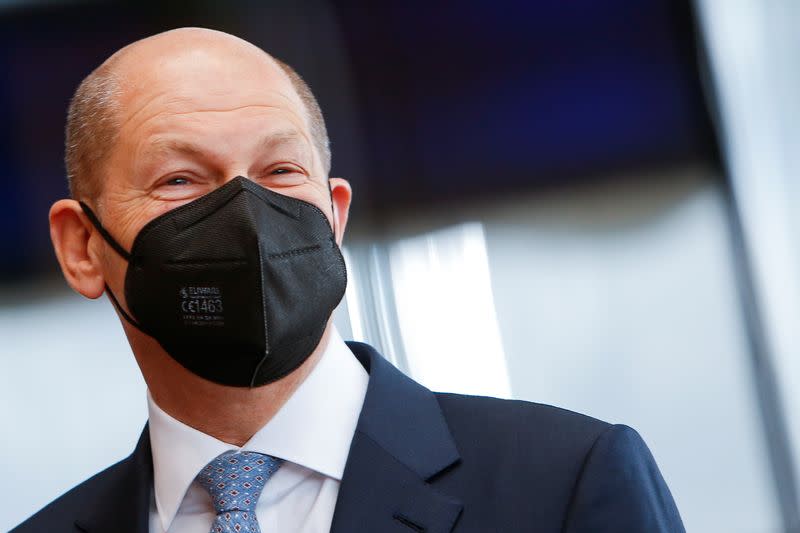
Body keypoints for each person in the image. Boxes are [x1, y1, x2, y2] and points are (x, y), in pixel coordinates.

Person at [12, 27, 684, 533]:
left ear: (333, 217)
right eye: (179, 179)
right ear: (81, 247)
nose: (246, 217)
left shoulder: (562, 481)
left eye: (279, 172)